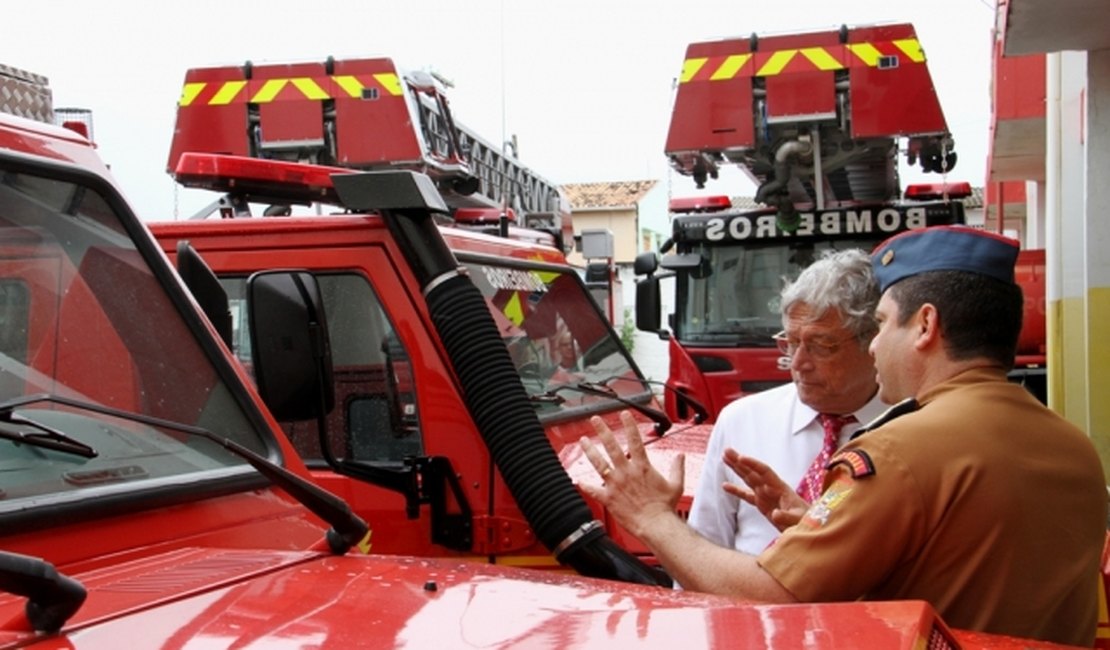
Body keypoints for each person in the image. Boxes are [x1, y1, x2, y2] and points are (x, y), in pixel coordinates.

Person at [578, 226, 1107, 646]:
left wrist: (649, 516)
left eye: (881, 325)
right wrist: (818, 527)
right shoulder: (1074, 447)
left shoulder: (896, 450)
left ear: (924, 327)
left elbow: (779, 596)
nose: (876, 347)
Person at [688, 248, 888, 554]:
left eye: (821, 346)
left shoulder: (914, 431)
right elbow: (701, 551)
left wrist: (817, 536)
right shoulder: (741, 421)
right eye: (791, 343)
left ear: (874, 341)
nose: (798, 363)